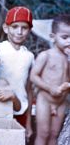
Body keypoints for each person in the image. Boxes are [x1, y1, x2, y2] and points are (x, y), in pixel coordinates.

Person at [0, 6, 35, 140]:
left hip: (19, 112)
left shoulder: (29, 56)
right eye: (15, 26)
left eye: (24, 28)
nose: (19, 31)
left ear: (29, 30)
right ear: (6, 28)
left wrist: (28, 123)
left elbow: (28, 90)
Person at [30, 14, 70, 145]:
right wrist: (50, 88)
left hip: (61, 102)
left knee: (54, 135)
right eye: (65, 37)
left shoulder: (67, 58)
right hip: (45, 99)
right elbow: (33, 76)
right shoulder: (45, 55)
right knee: (43, 133)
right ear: (53, 37)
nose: (69, 41)